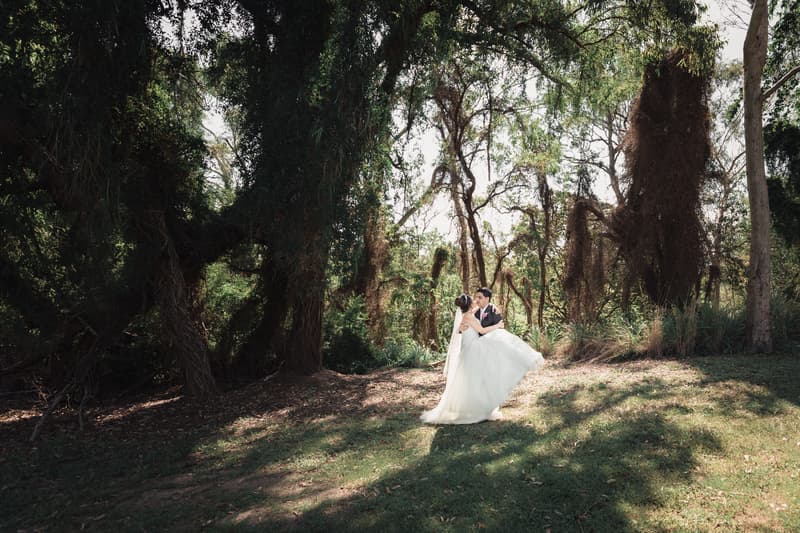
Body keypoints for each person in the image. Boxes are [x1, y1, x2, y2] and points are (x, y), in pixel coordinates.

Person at [421, 293, 545, 424]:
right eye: (473, 300)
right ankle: (480, 409)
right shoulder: (469, 316)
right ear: (469, 304)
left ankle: (479, 408)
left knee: (475, 380)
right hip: (474, 348)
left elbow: (467, 322)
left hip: (469, 349)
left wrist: (491, 306)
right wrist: (497, 326)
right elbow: (483, 330)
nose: (476, 301)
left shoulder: (466, 315)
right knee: (498, 339)